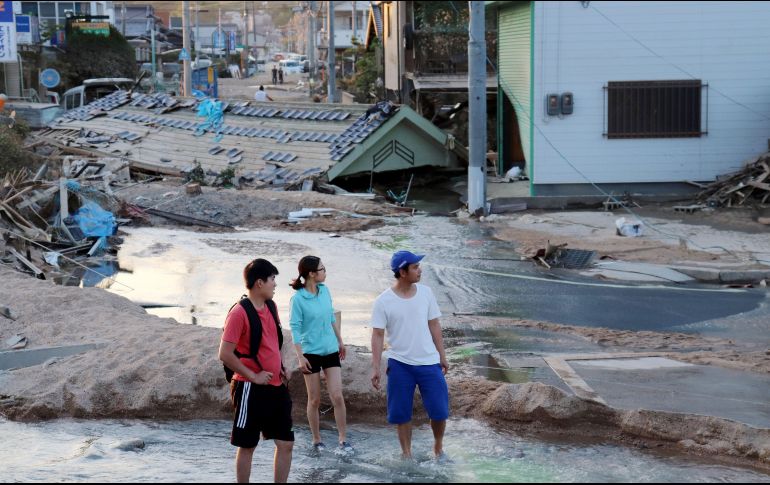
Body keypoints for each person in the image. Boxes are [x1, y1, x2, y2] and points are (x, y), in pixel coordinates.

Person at [219, 259, 294, 483]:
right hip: (249, 387)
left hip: (277, 385)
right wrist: (253, 376)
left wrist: (282, 365)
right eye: (272, 279)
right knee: (247, 445)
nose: (275, 284)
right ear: (259, 282)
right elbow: (225, 353)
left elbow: (275, 341)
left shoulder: (271, 306)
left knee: (286, 443)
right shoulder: (239, 313)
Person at [370, 250, 450, 461]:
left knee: (439, 411)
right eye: (415, 267)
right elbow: (377, 334)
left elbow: (434, 324)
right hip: (400, 364)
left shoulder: (426, 293)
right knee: (401, 414)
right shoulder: (383, 301)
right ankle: (406, 455)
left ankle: (438, 448)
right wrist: (375, 367)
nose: (419, 270)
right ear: (402, 272)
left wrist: (442, 355)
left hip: (429, 362)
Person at [289, 256, 353, 454]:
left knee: (337, 396)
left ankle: (343, 439)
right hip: (311, 353)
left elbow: (331, 316)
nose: (325, 272)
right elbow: (295, 328)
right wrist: (300, 356)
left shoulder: (325, 291)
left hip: (330, 350)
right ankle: (317, 440)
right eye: (322, 269)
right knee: (314, 400)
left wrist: (340, 340)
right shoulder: (298, 299)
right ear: (311, 273)